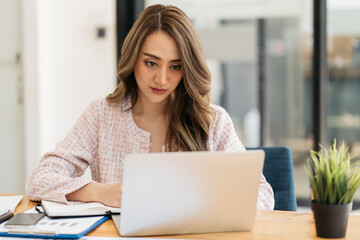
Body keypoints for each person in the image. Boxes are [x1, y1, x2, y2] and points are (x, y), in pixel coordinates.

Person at [26, 4, 274, 210]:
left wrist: (209, 199)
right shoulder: (101, 115)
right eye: (151, 63)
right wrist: (103, 192)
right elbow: (39, 180)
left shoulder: (213, 121)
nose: (162, 80)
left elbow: (262, 195)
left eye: (175, 66)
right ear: (133, 58)